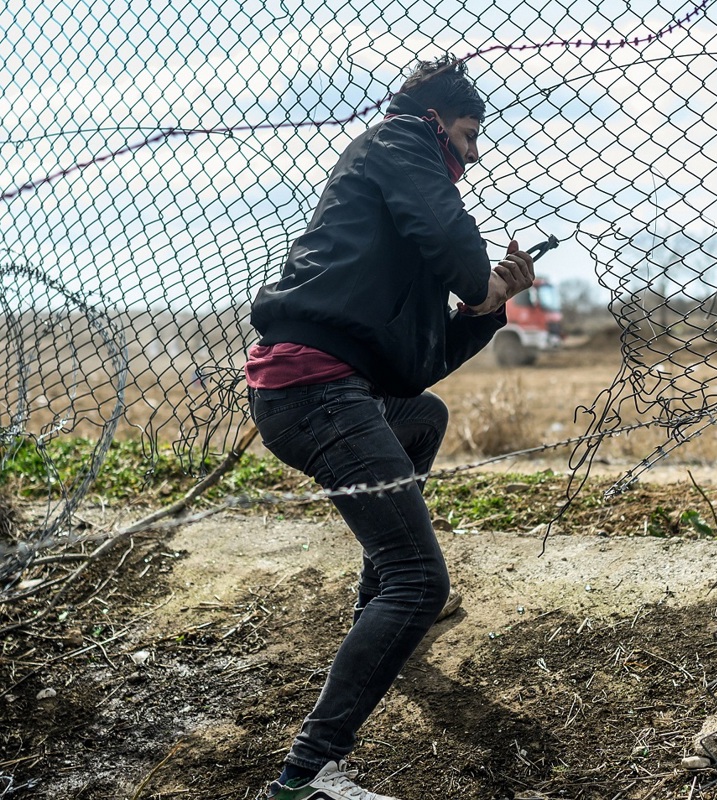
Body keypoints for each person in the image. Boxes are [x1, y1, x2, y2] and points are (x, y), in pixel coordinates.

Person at [244, 55, 534, 800]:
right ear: (436, 120)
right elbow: (462, 260)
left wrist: (493, 305)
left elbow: (412, 373)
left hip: (337, 390)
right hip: (315, 391)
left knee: (421, 420)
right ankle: (306, 775)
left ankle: (379, 614)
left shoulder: (396, 213)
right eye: (469, 135)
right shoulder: (399, 141)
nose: (476, 154)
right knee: (421, 580)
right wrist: (482, 282)